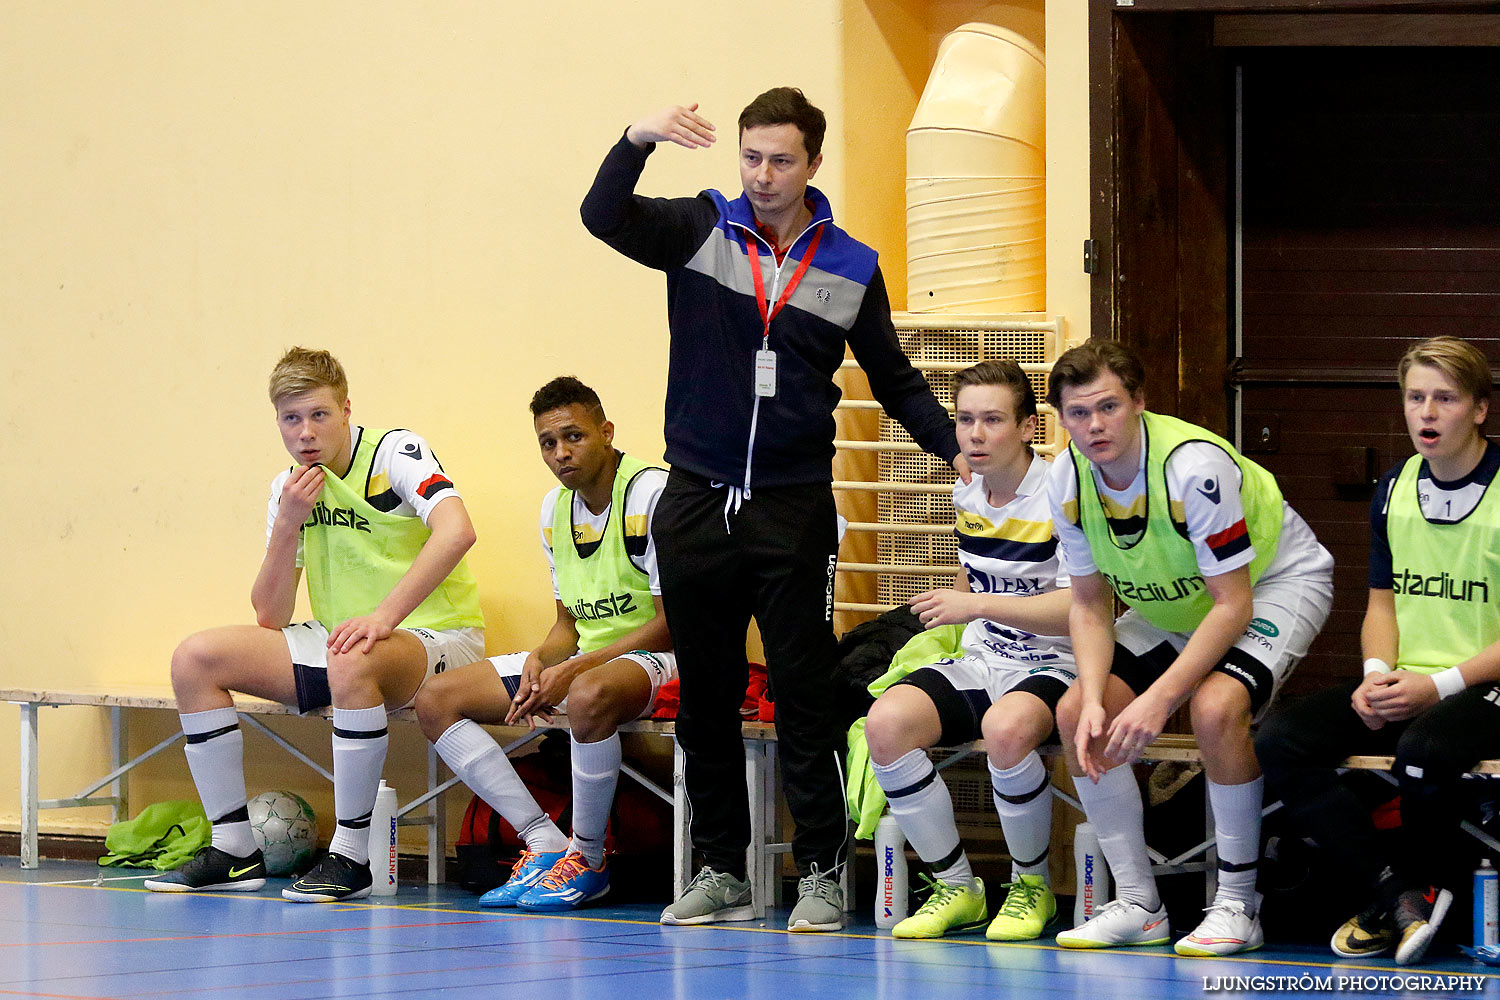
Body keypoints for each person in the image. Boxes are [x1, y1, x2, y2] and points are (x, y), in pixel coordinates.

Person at [581, 87, 965, 931]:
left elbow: (893, 378)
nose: (762, 175)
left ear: (814, 165)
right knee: (706, 695)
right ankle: (720, 868)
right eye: (750, 156)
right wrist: (636, 136)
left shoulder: (850, 265)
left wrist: (957, 449)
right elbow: (601, 215)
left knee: (804, 692)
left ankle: (821, 873)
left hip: (792, 507)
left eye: (781, 159)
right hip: (695, 500)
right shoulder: (699, 229)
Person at [145, 347, 485, 901]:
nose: (306, 432)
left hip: (437, 639)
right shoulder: (290, 487)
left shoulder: (395, 452)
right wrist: (287, 525)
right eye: (291, 418)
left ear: (347, 409)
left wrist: (383, 617)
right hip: (342, 641)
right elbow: (270, 616)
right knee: (194, 658)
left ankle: (351, 856)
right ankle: (234, 848)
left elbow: (457, 531)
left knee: (351, 655)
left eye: (319, 415)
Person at [1044, 341, 1333, 955]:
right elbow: (1090, 603)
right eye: (1077, 413)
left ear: (1139, 403)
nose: (1094, 425)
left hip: (1270, 584)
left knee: (1213, 708)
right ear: (1061, 419)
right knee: (1076, 716)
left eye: (1109, 407)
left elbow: (1233, 605)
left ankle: (1237, 903)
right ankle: (1138, 904)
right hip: (1174, 603)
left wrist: (1157, 699)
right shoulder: (1066, 478)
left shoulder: (1192, 469)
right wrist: (1096, 697)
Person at [1257, 336, 1500, 966]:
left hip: (1480, 684)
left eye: (1445, 398)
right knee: (1280, 742)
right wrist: (1374, 675)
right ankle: (1392, 893)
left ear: (1478, 409)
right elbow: (1383, 604)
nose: (1427, 412)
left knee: (1424, 753)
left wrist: (1438, 686)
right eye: (1415, 397)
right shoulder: (1394, 489)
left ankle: (1427, 890)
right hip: (1410, 680)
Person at [415, 376, 673, 911]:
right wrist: (540, 659)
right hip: (594, 660)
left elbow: (675, 624)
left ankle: (589, 860)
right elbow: (566, 626)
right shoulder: (553, 510)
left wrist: (575, 670)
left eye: (573, 436)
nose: (561, 453)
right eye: (548, 444)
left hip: (665, 657)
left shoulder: (651, 493)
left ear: (606, 432)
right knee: (436, 698)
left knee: (585, 695)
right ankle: (542, 840)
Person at [865, 360, 1075, 941]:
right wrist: (954, 607)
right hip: (985, 658)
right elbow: (976, 575)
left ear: (1029, 426)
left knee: (1007, 731)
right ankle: (958, 886)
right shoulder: (967, 488)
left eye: (992, 420)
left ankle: (1030, 887)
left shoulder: (1061, 493)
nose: (975, 434)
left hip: (1056, 662)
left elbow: (1084, 608)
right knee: (886, 724)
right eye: (964, 420)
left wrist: (977, 606)